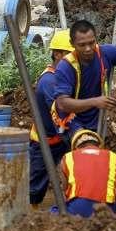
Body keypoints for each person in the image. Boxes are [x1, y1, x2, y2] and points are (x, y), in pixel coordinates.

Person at [53, 20, 116, 139]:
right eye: (82, 45)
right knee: (86, 147)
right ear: (72, 43)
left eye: (91, 43)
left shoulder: (107, 53)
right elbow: (63, 104)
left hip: (96, 119)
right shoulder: (66, 66)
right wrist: (95, 102)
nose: (88, 49)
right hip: (71, 119)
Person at [28, 29, 74, 209]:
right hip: (45, 140)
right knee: (35, 185)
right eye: (70, 55)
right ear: (57, 54)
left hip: (61, 137)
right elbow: (59, 113)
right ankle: (31, 214)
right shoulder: (49, 82)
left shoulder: (66, 76)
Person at [59, 129, 116, 217]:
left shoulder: (68, 157)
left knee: (55, 210)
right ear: (99, 145)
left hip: (78, 207)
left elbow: (64, 189)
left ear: (76, 147)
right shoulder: (113, 156)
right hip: (106, 208)